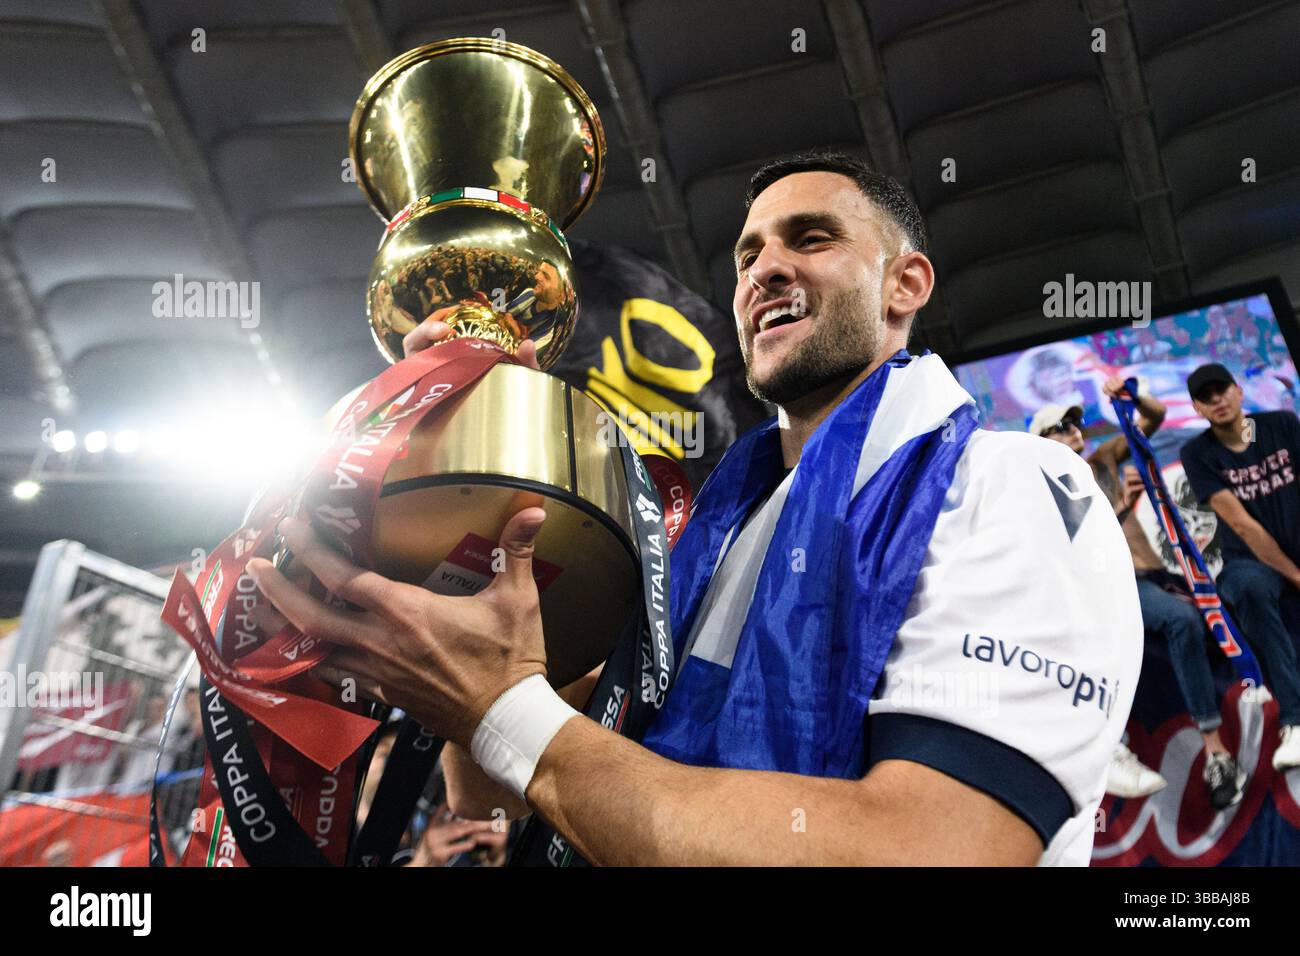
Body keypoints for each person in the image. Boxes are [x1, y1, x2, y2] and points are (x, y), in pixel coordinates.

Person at [247, 150, 1141, 865]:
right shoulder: (706, 542)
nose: (764, 270)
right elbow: (487, 789)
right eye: (748, 254)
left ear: (906, 284)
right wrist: (455, 476)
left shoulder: (1010, 484)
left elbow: (935, 849)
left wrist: (503, 713)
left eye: (812, 238)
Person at [1031, 391, 1247, 808]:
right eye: (1061, 427)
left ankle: (1275, 722)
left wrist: (1131, 395)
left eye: (1074, 423)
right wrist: (1123, 505)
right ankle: (1214, 750)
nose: (1073, 430)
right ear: (1040, 439)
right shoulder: (1042, 486)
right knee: (1180, 619)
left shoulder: (1102, 461)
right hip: (1112, 585)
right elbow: (1072, 545)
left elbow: (1156, 416)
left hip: (1156, 578)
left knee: (1231, 610)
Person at [1179, 362, 1300, 771]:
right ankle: (1295, 722)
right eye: (1206, 396)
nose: (1217, 400)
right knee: (1246, 588)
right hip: (1251, 563)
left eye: (1222, 390)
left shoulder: (1283, 424)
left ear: (1238, 391)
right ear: (1198, 408)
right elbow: (1243, 526)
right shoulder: (1196, 453)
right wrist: (1296, 575)